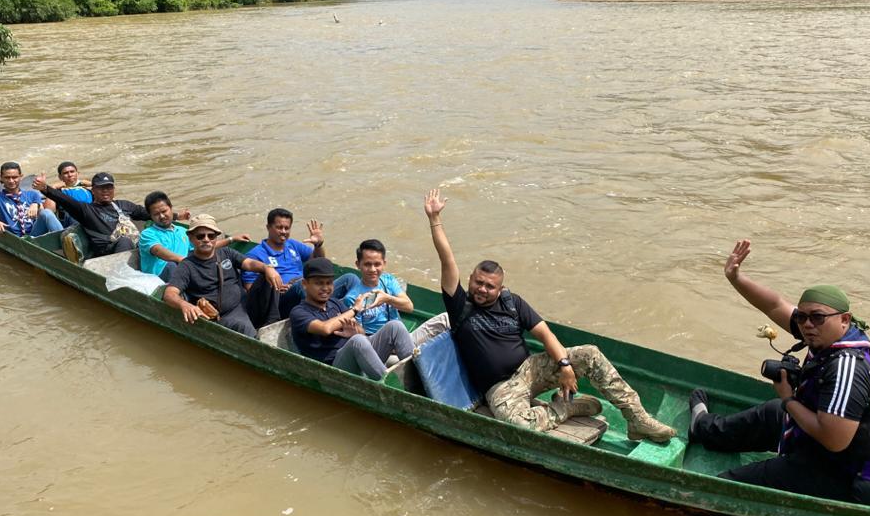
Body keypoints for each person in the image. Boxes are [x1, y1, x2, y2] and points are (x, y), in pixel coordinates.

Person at [423, 188, 676, 441]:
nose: (482, 289)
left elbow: (545, 335)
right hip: (501, 387)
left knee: (590, 354)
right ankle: (565, 407)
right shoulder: (460, 305)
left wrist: (565, 365)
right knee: (520, 425)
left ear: (500, 289)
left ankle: (637, 419)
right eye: (478, 282)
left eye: (490, 286)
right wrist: (435, 218)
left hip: (531, 370)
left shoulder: (512, 303)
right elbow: (447, 259)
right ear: (470, 279)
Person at [687, 239, 870, 506]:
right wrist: (735, 277)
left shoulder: (846, 368)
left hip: (850, 477)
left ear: (844, 319)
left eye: (817, 317)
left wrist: (789, 399)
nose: (807, 325)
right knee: (772, 413)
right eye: (802, 317)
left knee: (726, 485)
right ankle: (703, 429)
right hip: (834, 450)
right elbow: (774, 305)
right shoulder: (823, 334)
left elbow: (834, 441)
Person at [289, 257, 413, 380]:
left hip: (361, 357)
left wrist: (355, 331)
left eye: (329, 283)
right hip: (333, 367)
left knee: (395, 326)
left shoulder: (335, 303)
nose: (325, 288)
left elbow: (361, 332)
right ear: (305, 284)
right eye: (319, 283)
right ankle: (386, 385)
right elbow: (325, 328)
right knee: (357, 341)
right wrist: (354, 310)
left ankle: (416, 376)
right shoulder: (299, 312)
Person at [163, 214, 281, 336]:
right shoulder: (186, 266)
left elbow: (249, 263)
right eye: (200, 236)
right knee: (244, 327)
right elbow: (169, 294)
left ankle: (272, 322)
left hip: (246, 303)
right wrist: (184, 305)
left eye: (211, 236)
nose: (206, 239)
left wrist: (267, 268)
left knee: (268, 275)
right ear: (191, 238)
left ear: (216, 238)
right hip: (225, 316)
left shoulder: (226, 253)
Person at [33, 171, 159, 257]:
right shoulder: (86, 210)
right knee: (124, 241)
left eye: (109, 187)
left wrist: (170, 215)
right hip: (108, 255)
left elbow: (149, 214)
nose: (105, 191)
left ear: (114, 190)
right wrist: (45, 188)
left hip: (134, 248)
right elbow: (64, 200)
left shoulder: (124, 205)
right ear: (93, 190)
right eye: (101, 188)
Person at [139, 191, 250, 283]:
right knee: (172, 266)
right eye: (156, 214)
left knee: (214, 258)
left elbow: (205, 244)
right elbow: (158, 250)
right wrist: (182, 260)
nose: (162, 216)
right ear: (151, 216)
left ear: (171, 208)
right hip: (160, 277)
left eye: (164, 211)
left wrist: (232, 239)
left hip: (184, 269)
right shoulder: (147, 234)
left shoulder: (182, 231)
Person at [242, 208, 327, 318]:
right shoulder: (255, 255)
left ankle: (333, 310)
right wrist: (275, 289)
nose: (283, 231)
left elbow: (319, 264)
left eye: (287, 228)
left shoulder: (292, 244)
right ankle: (325, 316)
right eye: (279, 227)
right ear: (268, 227)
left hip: (307, 289)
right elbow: (251, 291)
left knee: (348, 279)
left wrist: (318, 245)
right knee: (302, 286)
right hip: (280, 301)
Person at [334, 239, 414, 336]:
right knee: (395, 325)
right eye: (367, 264)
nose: (372, 269)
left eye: (377, 264)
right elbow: (360, 334)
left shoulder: (388, 280)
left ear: (384, 264)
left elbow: (409, 307)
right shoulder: (353, 298)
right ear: (358, 265)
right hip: (376, 339)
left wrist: (387, 299)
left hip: (400, 334)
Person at [0, 162, 63, 237]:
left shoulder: (33, 195)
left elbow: (44, 214)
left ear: (21, 177)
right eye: (7, 178)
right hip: (15, 237)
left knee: (47, 212)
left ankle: (63, 239)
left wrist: (36, 204)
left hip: (34, 234)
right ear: (1, 178)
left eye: (14, 177)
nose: (11, 181)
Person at [43, 161, 93, 226]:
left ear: (77, 173)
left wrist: (93, 184)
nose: (70, 175)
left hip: (90, 216)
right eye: (65, 173)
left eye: (72, 171)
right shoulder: (58, 191)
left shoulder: (88, 189)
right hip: (71, 220)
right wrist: (53, 188)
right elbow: (49, 211)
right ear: (60, 177)